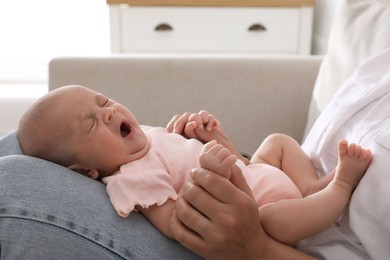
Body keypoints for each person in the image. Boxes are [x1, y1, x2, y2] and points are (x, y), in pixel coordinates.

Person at [17, 85, 372, 257]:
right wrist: (212, 169)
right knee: (277, 220)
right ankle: (340, 187)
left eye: (103, 101)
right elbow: (179, 224)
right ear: (87, 171)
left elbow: (239, 166)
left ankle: (313, 186)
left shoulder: (148, 138)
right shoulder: (132, 180)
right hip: (262, 214)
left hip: (255, 178)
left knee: (277, 142)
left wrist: (212, 141)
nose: (108, 112)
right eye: (91, 123)